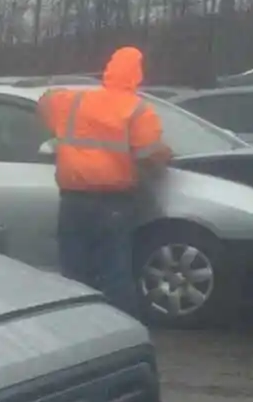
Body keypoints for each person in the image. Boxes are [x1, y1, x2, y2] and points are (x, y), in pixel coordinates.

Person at [37, 47, 174, 315]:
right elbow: (150, 157)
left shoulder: (76, 101)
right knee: (115, 272)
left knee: (73, 273)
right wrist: (165, 158)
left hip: (73, 201)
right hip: (113, 204)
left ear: (107, 71)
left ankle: (74, 323)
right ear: (137, 76)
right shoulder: (137, 110)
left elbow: (44, 101)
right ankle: (119, 330)